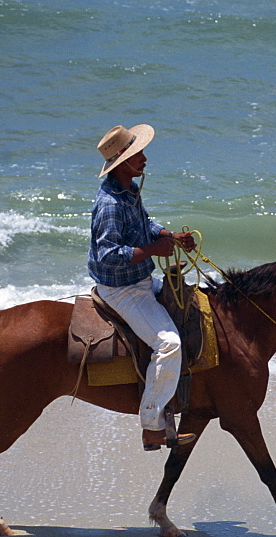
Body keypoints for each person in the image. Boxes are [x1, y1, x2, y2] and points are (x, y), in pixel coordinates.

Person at [88, 123, 198, 451]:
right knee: (168, 344)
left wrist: (169, 236)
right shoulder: (109, 204)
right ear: (121, 163)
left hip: (140, 280)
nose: (145, 159)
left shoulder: (129, 191)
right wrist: (152, 251)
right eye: (138, 155)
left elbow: (145, 223)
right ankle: (152, 426)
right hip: (122, 290)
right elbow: (107, 255)